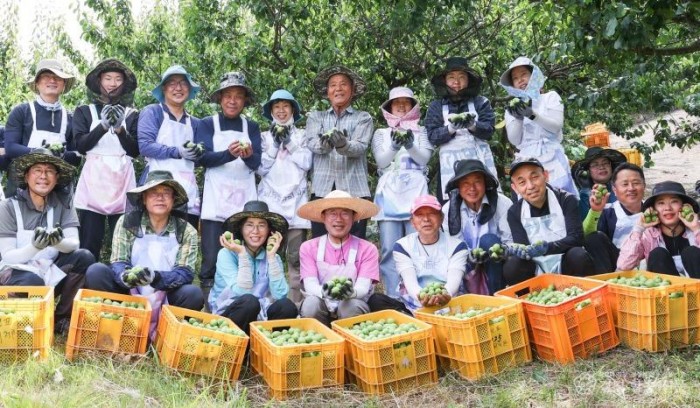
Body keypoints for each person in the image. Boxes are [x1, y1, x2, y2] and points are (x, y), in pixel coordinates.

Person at [84, 171, 204, 338]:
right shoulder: (127, 222)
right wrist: (126, 277)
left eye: (166, 193)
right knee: (96, 271)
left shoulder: (186, 230)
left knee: (193, 294)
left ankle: (165, 336)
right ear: (144, 198)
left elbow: (185, 272)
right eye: (154, 193)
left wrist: (155, 278)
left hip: (165, 297)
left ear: (173, 200)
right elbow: (119, 260)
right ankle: (114, 328)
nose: (160, 197)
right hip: (129, 295)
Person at [0, 149, 95, 334]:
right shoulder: (8, 207)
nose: (43, 176)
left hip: (48, 271)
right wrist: (34, 247)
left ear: (57, 177)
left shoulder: (63, 205)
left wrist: (57, 242)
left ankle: (61, 319)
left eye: (49, 171)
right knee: (32, 280)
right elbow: (8, 255)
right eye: (37, 170)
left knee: (84, 257)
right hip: (15, 274)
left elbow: (74, 243)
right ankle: (26, 321)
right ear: (26, 175)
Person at [194, 72, 261, 304]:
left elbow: (255, 164)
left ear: (245, 101)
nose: (233, 101)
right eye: (228, 96)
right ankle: (209, 304)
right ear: (220, 99)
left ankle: (243, 302)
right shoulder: (207, 124)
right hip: (216, 199)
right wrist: (228, 154)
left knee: (243, 254)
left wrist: (248, 155)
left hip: (243, 200)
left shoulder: (251, 127)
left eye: (238, 96)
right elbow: (201, 158)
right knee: (211, 256)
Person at [73, 58, 140, 260]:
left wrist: (120, 129)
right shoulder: (84, 111)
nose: (112, 83)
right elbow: (81, 145)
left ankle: (121, 285)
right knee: (89, 240)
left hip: (122, 180)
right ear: (99, 81)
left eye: (118, 79)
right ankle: (85, 286)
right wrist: (102, 126)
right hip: (94, 181)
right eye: (108, 78)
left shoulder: (132, 114)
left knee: (123, 240)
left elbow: (135, 150)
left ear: (124, 84)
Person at [371, 87, 432, 299]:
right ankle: (393, 296)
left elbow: (424, 159)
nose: (401, 106)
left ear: (413, 106)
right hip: (389, 194)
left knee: (416, 245)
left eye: (406, 102)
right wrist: (395, 146)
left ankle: (418, 293)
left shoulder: (422, 131)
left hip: (416, 191)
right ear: (390, 107)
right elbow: (381, 161)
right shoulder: (381, 133)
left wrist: (410, 145)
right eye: (397, 103)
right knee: (390, 248)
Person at [368, 195, 468, 314]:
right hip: (414, 305)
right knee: (376, 300)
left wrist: (444, 296)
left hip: (448, 303)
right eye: (420, 215)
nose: (426, 219)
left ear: (441, 218)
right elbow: (411, 284)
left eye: (432, 213)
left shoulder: (457, 246)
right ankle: (413, 317)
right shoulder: (402, 246)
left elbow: (453, 282)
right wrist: (423, 298)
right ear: (413, 222)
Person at [305, 65, 373, 239]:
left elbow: (360, 146)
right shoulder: (316, 117)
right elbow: (312, 143)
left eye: (343, 84)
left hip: (354, 188)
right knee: (321, 243)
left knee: (356, 243)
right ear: (327, 91)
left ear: (352, 90)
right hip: (322, 189)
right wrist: (326, 144)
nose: (338, 88)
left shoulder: (363, 117)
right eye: (333, 85)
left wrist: (343, 145)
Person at [257, 89, 312, 305]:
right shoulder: (263, 137)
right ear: (271, 110)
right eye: (276, 106)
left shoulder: (302, 135)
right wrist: (273, 148)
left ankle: (296, 303)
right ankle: (269, 303)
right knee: (271, 256)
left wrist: (289, 142)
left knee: (295, 257)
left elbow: (307, 163)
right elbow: (260, 168)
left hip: (297, 204)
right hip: (270, 205)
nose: (281, 111)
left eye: (285, 106)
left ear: (293, 110)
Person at [209, 201, 298, 334]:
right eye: (249, 225)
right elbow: (241, 291)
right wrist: (242, 254)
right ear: (241, 229)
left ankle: (266, 348)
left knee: (287, 306)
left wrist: (272, 257)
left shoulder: (273, 257)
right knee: (250, 302)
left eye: (261, 225)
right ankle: (240, 351)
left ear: (269, 231)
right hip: (229, 316)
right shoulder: (226, 254)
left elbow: (280, 295)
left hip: (260, 314)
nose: (255, 231)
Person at [504, 158, 594, 285]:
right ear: (515, 188)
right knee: (512, 265)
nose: (530, 186)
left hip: (565, 261)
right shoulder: (514, 212)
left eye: (534, 177)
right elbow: (523, 247)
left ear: (545, 176)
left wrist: (546, 248)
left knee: (578, 255)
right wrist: (514, 250)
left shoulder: (566, 200)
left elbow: (576, 238)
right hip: (536, 269)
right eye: (522, 182)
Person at [296, 190, 379, 326]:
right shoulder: (308, 247)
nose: (339, 219)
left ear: (354, 217)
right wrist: (325, 292)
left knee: (350, 306)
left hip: (352, 303)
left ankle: (352, 342)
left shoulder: (367, 249)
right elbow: (310, 285)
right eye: (332, 213)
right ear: (323, 217)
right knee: (311, 305)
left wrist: (350, 293)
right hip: (320, 302)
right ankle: (321, 342)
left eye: (345, 213)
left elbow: (363, 288)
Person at [500, 56, 578, 197]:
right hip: (527, 161)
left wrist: (532, 115)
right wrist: (518, 119)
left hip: (552, 156)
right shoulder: (511, 109)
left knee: (561, 199)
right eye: (515, 78)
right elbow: (515, 140)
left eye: (524, 74)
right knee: (531, 201)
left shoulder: (550, 97)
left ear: (534, 76)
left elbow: (556, 126)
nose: (520, 80)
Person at [138, 65, 202, 227]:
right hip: (156, 188)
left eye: (183, 83)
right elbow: (145, 146)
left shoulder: (195, 123)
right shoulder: (152, 112)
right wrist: (177, 151)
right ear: (164, 88)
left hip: (187, 189)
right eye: (172, 83)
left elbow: (202, 157)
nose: (178, 88)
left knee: (185, 242)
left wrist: (199, 152)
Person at [4, 59, 79, 197]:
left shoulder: (70, 118)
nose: (52, 80)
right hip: (21, 185)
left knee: (56, 218)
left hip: (57, 187)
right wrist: (40, 152)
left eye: (57, 77)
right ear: (37, 83)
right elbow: (10, 147)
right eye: (46, 76)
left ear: (63, 85)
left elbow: (77, 156)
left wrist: (61, 154)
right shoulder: (22, 112)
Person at [425, 56, 496, 201]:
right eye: (451, 77)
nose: (456, 82)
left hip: (478, 162)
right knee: (450, 206)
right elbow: (432, 136)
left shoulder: (481, 102)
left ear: (468, 80)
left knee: (484, 201)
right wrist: (450, 129)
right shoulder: (436, 106)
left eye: (461, 77)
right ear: (445, 80)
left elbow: (489, 130)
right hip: (449, 165)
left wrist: (473, 125)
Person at [443, 159, 512, 295]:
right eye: (466, 183)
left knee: (489, 240)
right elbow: (452, 246)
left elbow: (509, 240)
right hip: (466, 264)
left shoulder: (502, 203)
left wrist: (502, 251)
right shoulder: (448, 210)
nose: (472, 188)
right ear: (458, 186)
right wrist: (470, 256)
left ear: (485, 183)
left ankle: (497, 296)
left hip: (496, 264)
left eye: (477, 182)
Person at [617, 181, 700, 278]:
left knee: (691, 252)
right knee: (658, 254)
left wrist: (696, 229)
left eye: (674, 201)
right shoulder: (649, 235)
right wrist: (639, 229)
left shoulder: (696, 228)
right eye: (661, 203)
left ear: (684, 206)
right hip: (666, 291)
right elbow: (624, 265)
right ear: (654, 209)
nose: (667, 208)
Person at [583, 163, 645, 273]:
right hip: (615, 266)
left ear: (644, 186)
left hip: (647, 264)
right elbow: (585, 236)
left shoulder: (654, 211)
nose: (631, 188)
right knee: (594, 238)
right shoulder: (607, 211)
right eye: (625, 184)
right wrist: (595, 211)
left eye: (636, 183)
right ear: (615, 190)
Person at [572, 147, 627, 220]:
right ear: (588, 170)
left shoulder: (622, 188)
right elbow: (584, 227)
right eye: (595, 165)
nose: (601, 167)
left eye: (605, 163)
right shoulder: (583, 195)